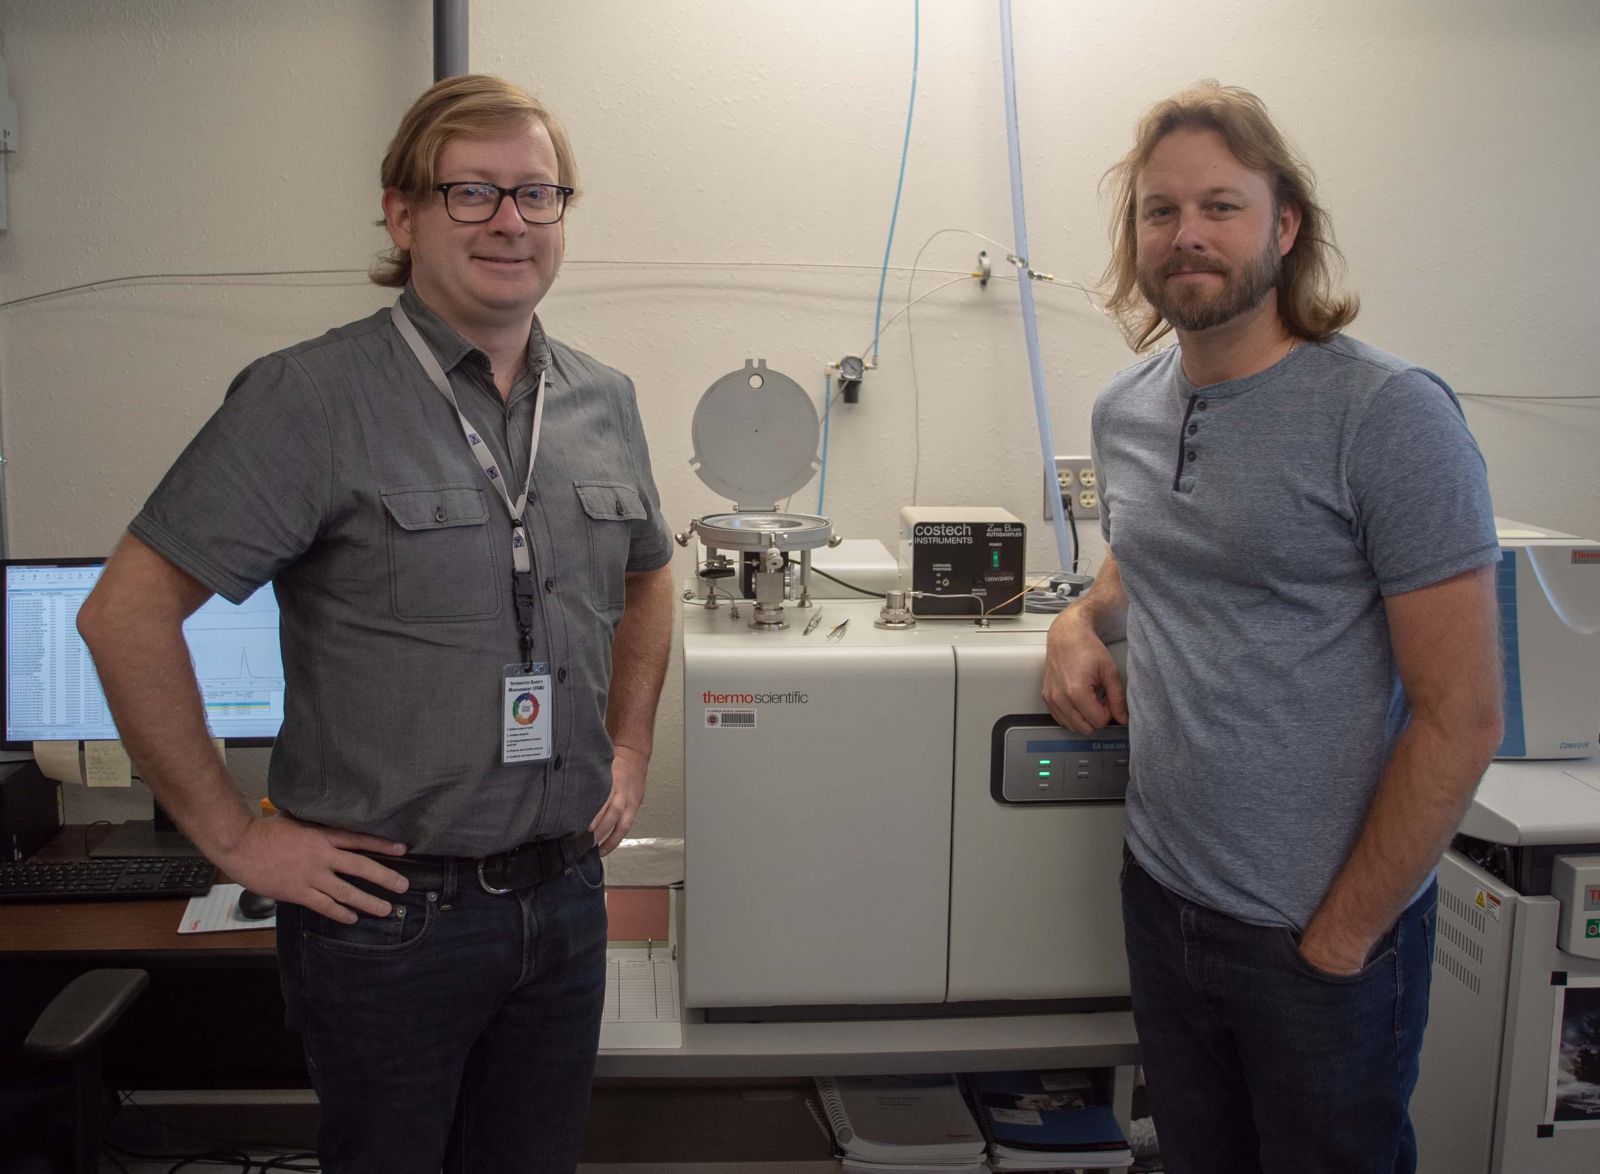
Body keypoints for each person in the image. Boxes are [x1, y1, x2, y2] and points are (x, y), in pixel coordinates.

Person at [78, 74, 675, 1174]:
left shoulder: (605, 399)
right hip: (392, 921)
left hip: (564, 898)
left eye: (536, 194)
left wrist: (630, 746)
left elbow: (648, 580)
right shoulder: (307, 399)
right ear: (401, 217)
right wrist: (232, 835)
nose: (509, 220)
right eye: (471, 192)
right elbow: (125, 615)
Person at [1042, 82, 1504, 1174]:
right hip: (1162, 900)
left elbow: (1462, 715)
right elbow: (1154, 549)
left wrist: (1340, 937)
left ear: (1283, 226)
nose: (1187, 235)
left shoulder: (1387, 417)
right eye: (1160, 212)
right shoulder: (1127, 409)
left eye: (1220, 206)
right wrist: (1078, 617)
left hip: (1319, 938)